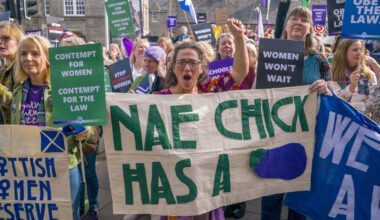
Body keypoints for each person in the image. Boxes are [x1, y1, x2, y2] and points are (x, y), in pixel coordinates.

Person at [157, 18, 249, 220]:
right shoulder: (157, 100)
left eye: (193, 62)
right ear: (172, 68)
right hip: (175, 185)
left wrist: (239, 37)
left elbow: (240, 73)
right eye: (181, 62)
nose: (187, 68)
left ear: (201, 69)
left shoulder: (211, 91)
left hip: (207, 182)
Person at [10, 35, 94, 220]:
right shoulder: (18, 92)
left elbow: (86, 125)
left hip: (62, 165)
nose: (28, 58)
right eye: (23, 54)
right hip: (29, 168)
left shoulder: (64, 88)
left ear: (47, 57)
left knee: (65, 215)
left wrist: (83, 132)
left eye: (35, 53)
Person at [261, 6, 332, 220]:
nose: (299, 22)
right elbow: (257, 91)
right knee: (271, 191)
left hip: (306, 134)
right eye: (295, 18)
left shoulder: (319, 60)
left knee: (299, 193)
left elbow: (333, 91)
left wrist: (326, 88)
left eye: (304, 19)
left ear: (310, 28)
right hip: (275, 133)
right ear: (286, 24)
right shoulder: (270, 53)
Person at [60, 36, 101, 220]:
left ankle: (92, 206)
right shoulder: (55, 76)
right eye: (64, 52)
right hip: (66, 139)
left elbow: (95, 104)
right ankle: (83, 205)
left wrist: (88, 129)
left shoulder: (91, 76)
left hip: (87, 133)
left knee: (90, 171)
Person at [330, 39, 377, 115]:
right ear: (344, 53)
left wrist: (349, 107)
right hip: (338, 122)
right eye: (355, 50)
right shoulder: (332, 74)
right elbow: (334, 102)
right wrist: (351, 87)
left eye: (361, 50)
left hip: (361, 124)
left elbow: (371, 103)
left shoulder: (368, 75)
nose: (359, 53)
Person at [0, 21, 24, 124]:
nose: (1, 42)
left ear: (19, 42)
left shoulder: (23, 68)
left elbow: (20, 105)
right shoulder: (3, 70)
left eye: (6, 38)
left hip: (19, 133)